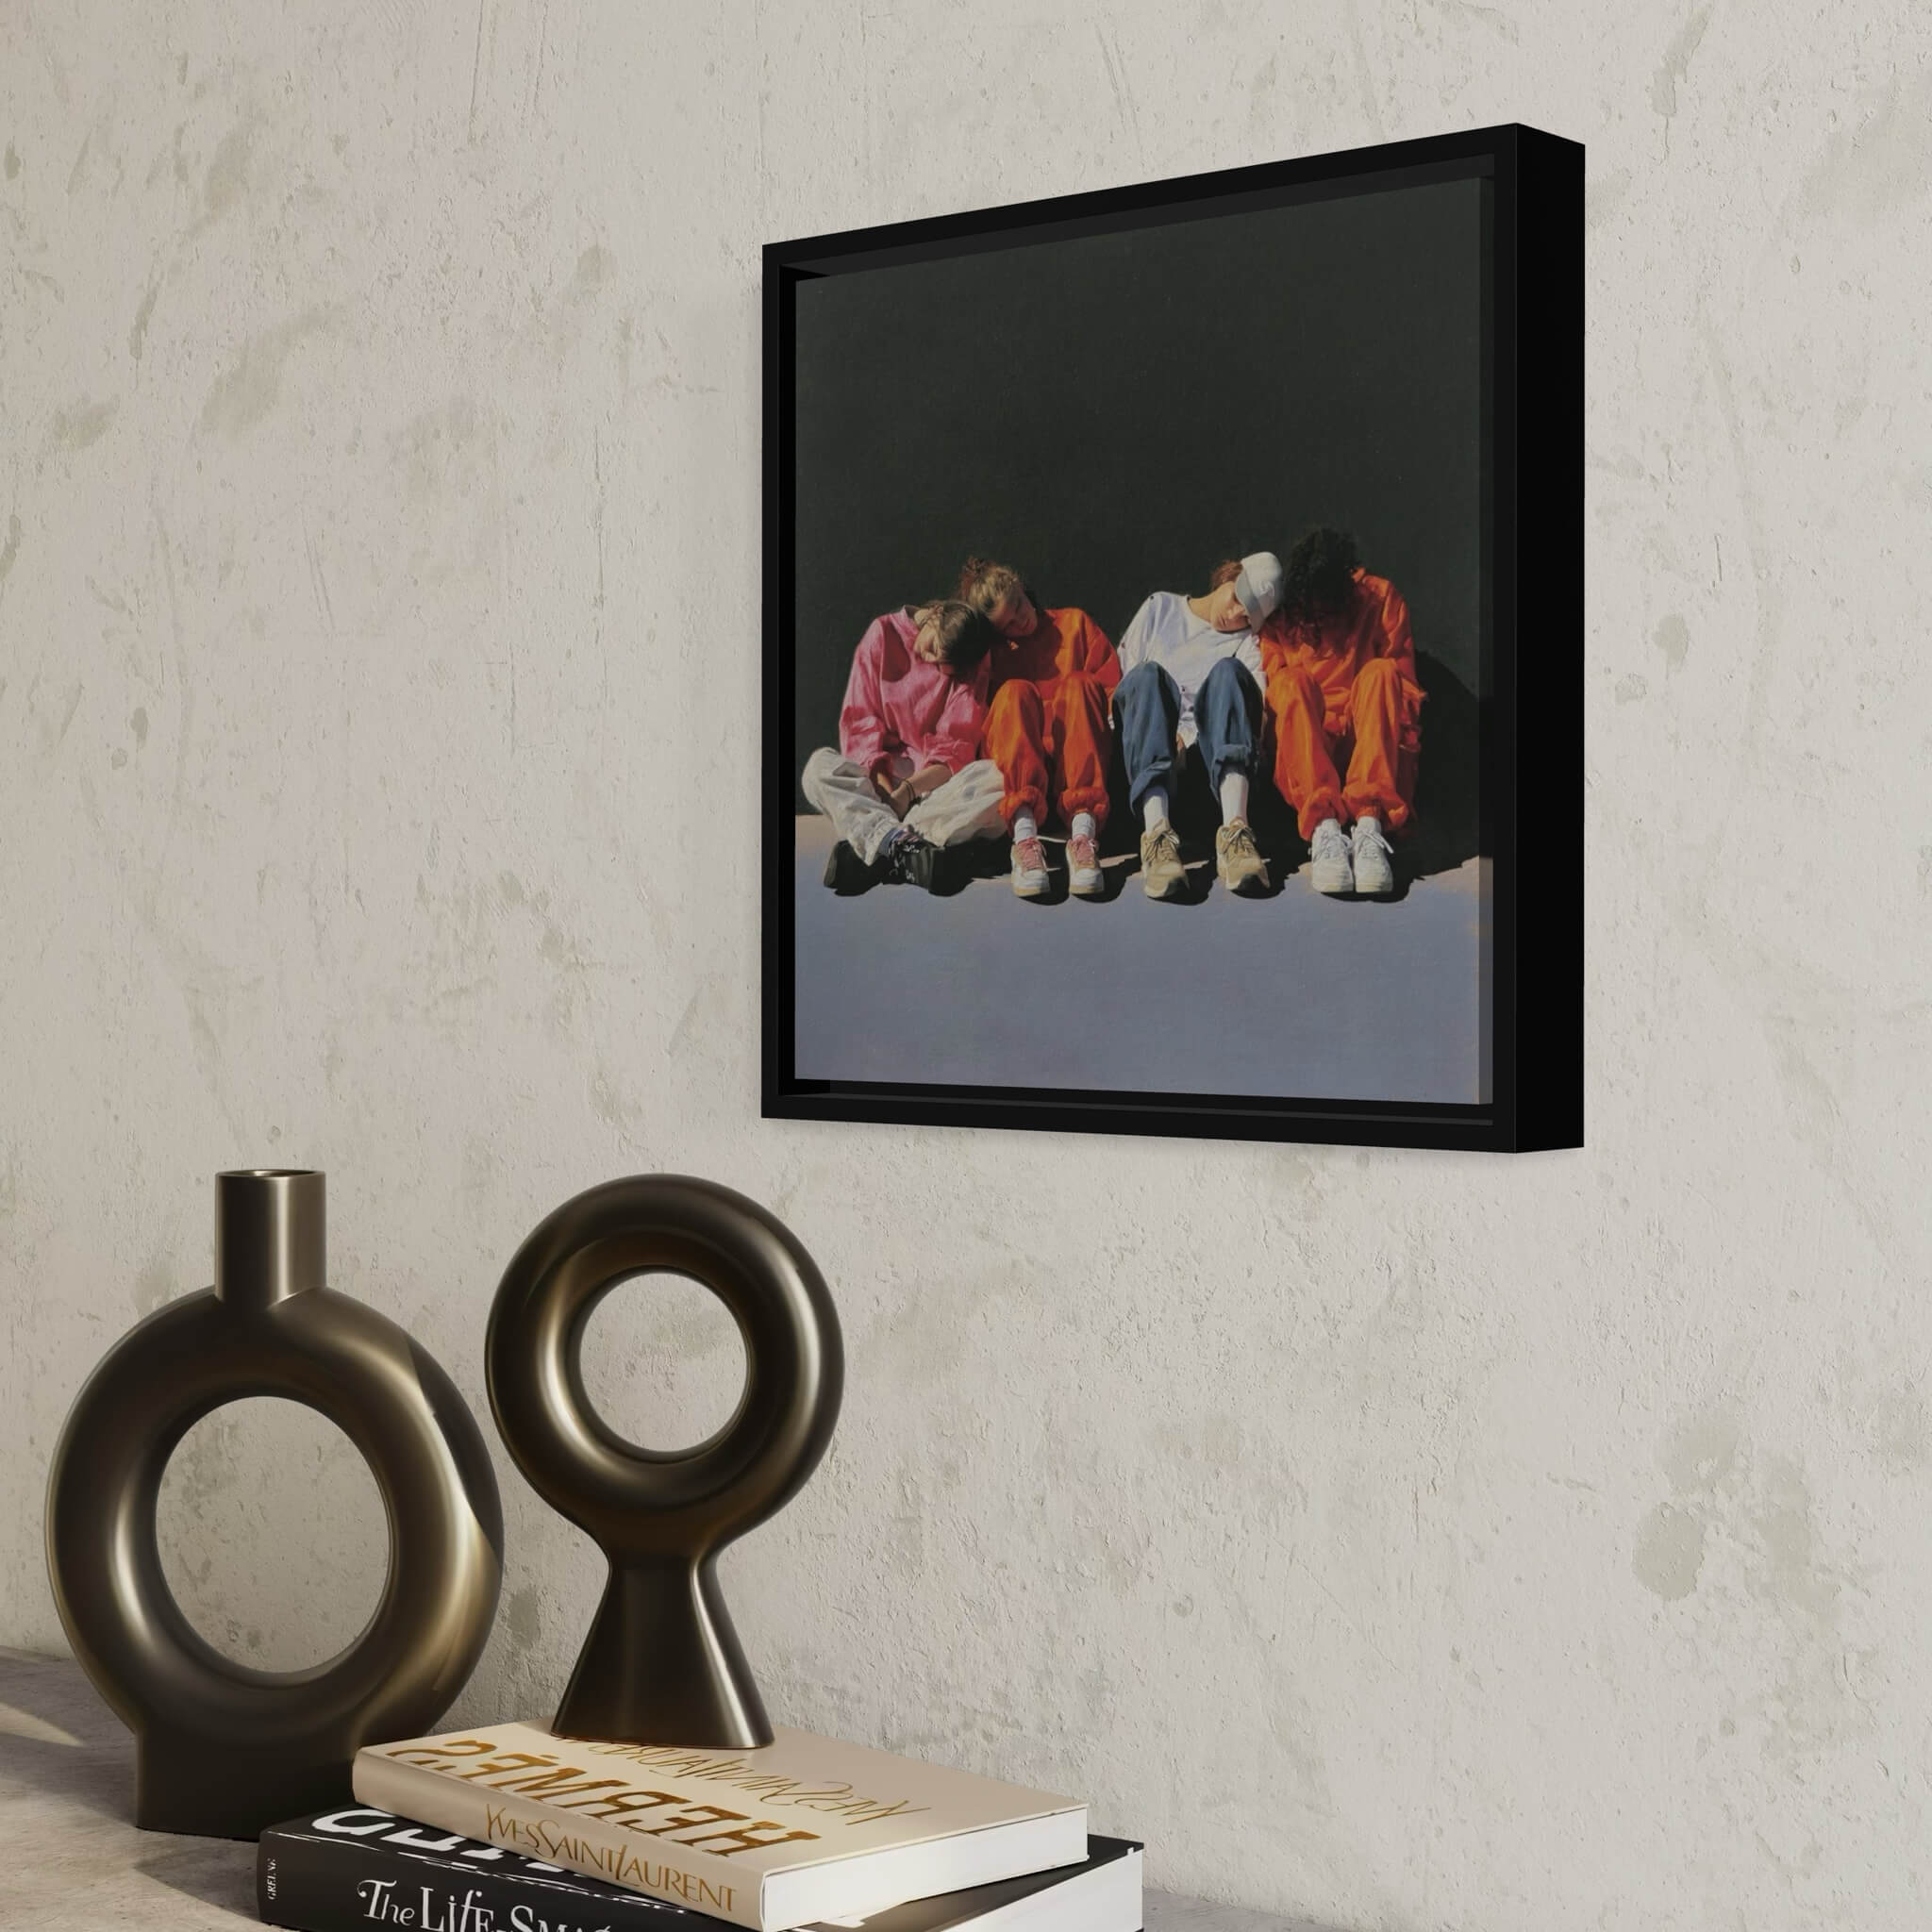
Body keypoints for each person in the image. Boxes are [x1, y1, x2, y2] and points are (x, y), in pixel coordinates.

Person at [1258, 527, 1424, 896]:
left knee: (1383, 673)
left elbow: (1407, 695)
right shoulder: (1282, 618)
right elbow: (1278, 716)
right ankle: (1326, 832)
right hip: (1309, 758)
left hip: (1369, 753)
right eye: (1312, 607)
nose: (1321, 616)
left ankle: (1369, 830)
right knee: (1288, 683)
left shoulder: (1380, 599)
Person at [801, 599, 1007, 893]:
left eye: (944, 666)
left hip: (931, 789)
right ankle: (904, 844)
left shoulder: (974, 657)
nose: (933, 662)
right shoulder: (882, 634)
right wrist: (888, 794)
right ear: (935, 614)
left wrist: (907, 793)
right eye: (934, 649)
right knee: (818, 768)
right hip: (878, 786)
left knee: (999, 780)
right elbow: (860, 726)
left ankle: (880, 845)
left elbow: (955, 748)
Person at [1111, 552, 1282, 901]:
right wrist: (1161, 735)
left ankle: (1236, 833)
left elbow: (1255, 716)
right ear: (1227, 576)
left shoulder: (1246, 644)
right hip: (1147, 778)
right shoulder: (1160, 608)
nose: (1234, 616)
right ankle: (1156, 838)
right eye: (1237, 599)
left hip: (1206, 779)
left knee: (1229, 673)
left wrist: (1187, 737)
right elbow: (1122, 690)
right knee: (1146, 676)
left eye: (1247, 616)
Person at [957, 557, 1121, 899]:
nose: (1022, 621)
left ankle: (1083, 836)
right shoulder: (996, 658)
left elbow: (1111, 693)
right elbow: (984, 722)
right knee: (1014, 691)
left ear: (1020, 585)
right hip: (1020, 779)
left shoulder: (1074, 624)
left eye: (1018, 605)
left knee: (1079, 684)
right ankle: (1024, 840)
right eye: (1009, 625)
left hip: (1077, 771)